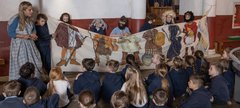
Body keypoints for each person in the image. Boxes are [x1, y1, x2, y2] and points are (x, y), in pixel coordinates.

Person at [7, 1, 42, 80]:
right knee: (22, 64)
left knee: (36, 62)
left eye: (32, 9)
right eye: (29, 10)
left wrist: (34, 35)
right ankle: (20, 83)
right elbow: (10, 33)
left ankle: (33, 81)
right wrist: (23, 36)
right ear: (23, 10)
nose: (32, 11)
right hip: (19, 45)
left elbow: (33, 31)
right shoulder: (16, 19)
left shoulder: (29, 20)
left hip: (30, 44)